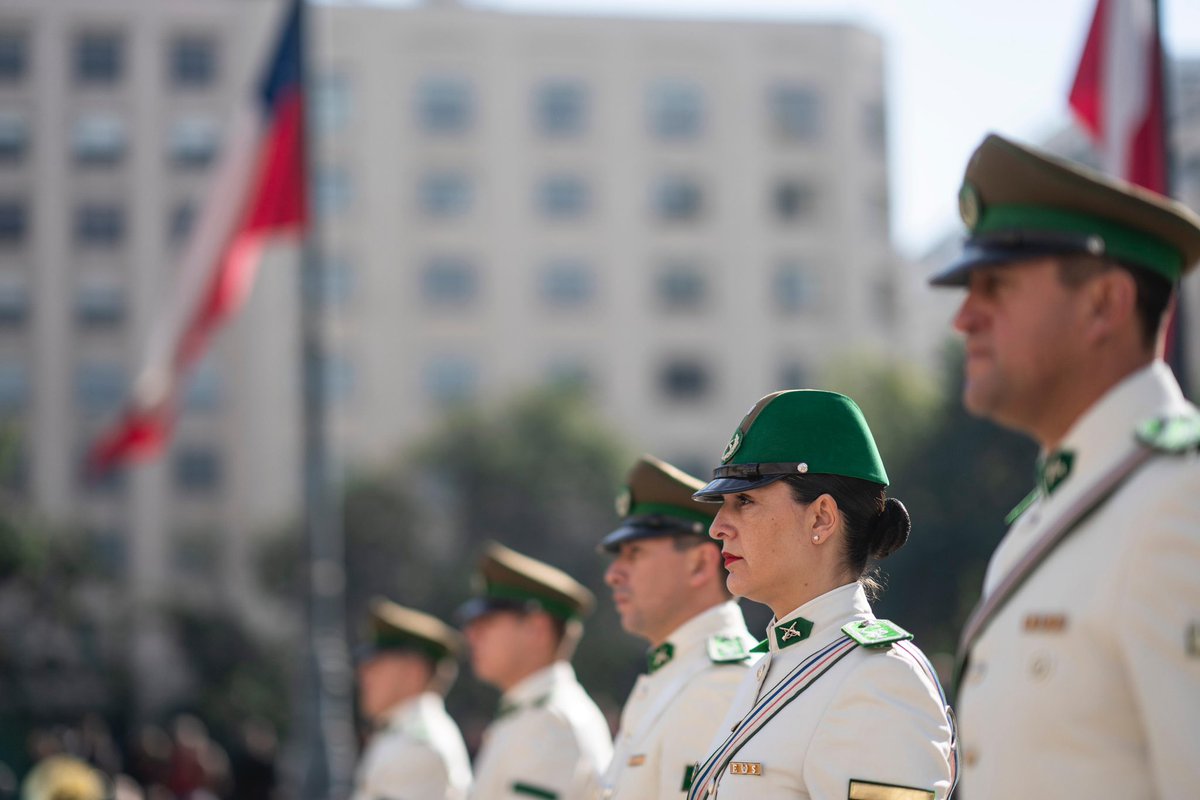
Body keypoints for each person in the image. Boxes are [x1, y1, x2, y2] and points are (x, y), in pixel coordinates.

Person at [930, 133, 1200, 798]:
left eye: (997, 286)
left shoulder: (1181, 498)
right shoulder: (1047, 518)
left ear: (1104, 304)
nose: (965, 317)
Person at [686, 389, 957, 800]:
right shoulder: (771, 665)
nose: (717, 526)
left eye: (744, 501)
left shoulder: (879, 679)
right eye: (723, 503)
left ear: (822, 517)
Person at [599, 455, 758, 799]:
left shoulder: (723, 683)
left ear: (700, 564)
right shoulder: (678, 673)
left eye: (635, 553)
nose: (613, 575)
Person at [460, 542, 613, 800]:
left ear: (537, 629)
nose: (471, 636)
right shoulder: (531, 713)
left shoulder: (548, 723)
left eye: (487, 623)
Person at [351, 598, 473, 800]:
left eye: (376, 665)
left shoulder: (415, 746)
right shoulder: (402, 734)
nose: (363, 676)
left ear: (413, 672)